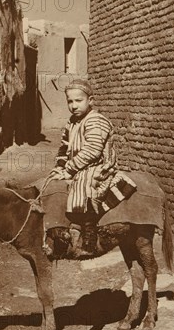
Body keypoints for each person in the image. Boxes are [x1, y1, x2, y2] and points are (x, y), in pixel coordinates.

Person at [51, 78, 136, 257]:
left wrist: (69, 169)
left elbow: (93, 151)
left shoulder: (96, 121)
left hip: (99, 166)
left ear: (90, 101)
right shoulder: (72, 122)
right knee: (54, 182)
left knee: (85, 184)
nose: (74, 105)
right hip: (80, 165)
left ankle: (89, 233)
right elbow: (64, 147)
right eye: (70, 101)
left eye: (78, 100)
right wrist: (59, 167)